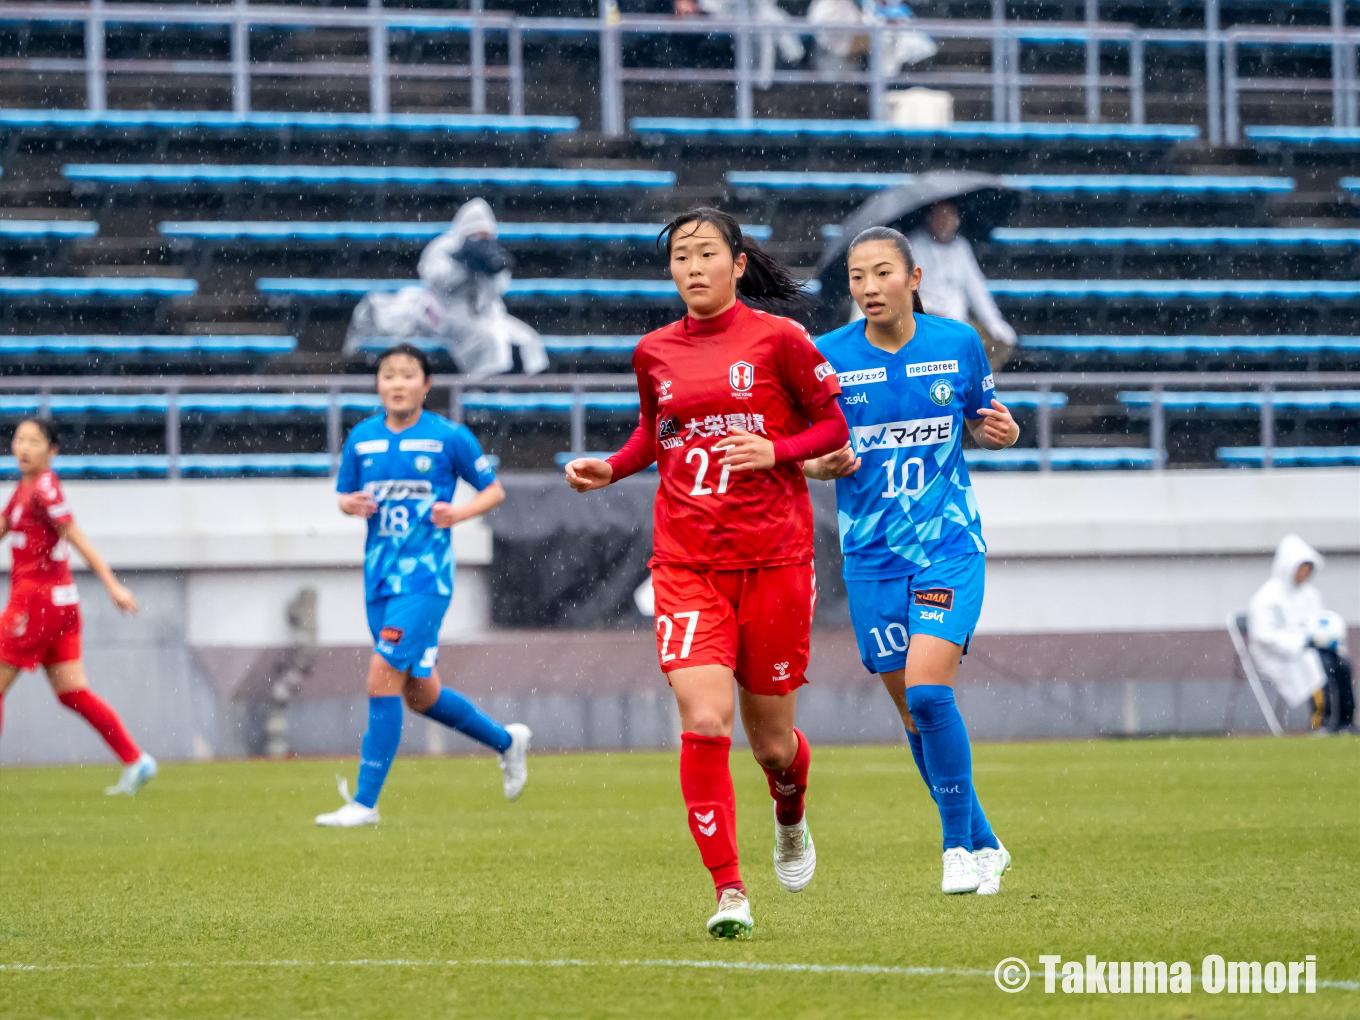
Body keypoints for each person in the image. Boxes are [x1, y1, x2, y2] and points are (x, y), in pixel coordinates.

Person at [564, 207, 848, 939]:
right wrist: (613, 467)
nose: (692, 267)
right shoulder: (653, 351)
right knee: (703, 718)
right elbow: (655, 435)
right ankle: (729, 891)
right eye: (680, 257)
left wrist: (776, 453)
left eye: (705, 254)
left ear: (738, 263)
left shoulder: (781, 339)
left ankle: (790, 812)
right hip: (687, 560)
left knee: (772, 745)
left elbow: (833, 428)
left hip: (777, 558)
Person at [803, 226, 1020, 895]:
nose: (869, 287)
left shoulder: (957, 344)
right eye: (857, 277)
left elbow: (988, 421)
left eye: (882, 273)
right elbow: (803, 454)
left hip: (947, 547)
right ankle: (986, 841)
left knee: (930, 692)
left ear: (914, 278)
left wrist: (1002, 432)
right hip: (871, 557)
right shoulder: (826, 358)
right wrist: (820, 463)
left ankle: (956, 849)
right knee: (911, 715)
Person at [316, 344, 531, 827]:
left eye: (407, 375)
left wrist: (458, 512)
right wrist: (348, 505)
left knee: (380, 674)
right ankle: (506, 740)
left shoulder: (448, 437)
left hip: (425, 579)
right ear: (378, 385)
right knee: (419, 694)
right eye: (388, 374)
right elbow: (342, 496)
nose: (396, 383)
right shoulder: (362, 439)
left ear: (426, 385)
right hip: (379, 580)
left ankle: (364, 804)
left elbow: (494, 490)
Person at [0, 419, 155, 795]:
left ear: (53, 451)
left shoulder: (44, 487)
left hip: (36, 603)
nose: (24, 447)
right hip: (61, 604)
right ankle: (136, 759)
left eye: (34, 441)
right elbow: (4, 524)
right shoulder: (24, 488)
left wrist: (112, 584)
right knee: (72, 691)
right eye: (19, 439)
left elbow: (75, 536)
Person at [345, 198, 548, 378]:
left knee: (527, 339)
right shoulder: (445, 246)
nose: (481, 240)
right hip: (446, 312)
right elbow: (433, 277)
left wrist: (488, 267)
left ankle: (524, 387)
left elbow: (500, 287)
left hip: (483, 313)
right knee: (489, 341)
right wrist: (463, 263)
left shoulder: (492, 252)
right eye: (476, 234)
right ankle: (482, 391)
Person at [1248, 534, 1354, 734]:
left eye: (1309, 568)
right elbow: (1263, 635)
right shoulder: (1267, 597)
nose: (1305, 573)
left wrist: (1328, 638)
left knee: (1342, 663)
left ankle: (1346, 721)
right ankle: (1321, 721)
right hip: (1284, 654)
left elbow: (1319, 623)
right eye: (1302, 567)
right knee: (1316, 665)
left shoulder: (1311, 595)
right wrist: (1298, 642)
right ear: (1288, 566)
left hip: (1312, 647)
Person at [907, 200, 1017, 371]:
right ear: (929, 218)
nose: (945, 222)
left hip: (959, 321)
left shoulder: (961, 247)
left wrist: (993, 322)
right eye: (940, 216)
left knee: (999, 341)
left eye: (950, 216)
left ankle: (973, 384)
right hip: (926, 322)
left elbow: (976, 290)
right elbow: (910, 290)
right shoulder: (914, 245)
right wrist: (934, 308)